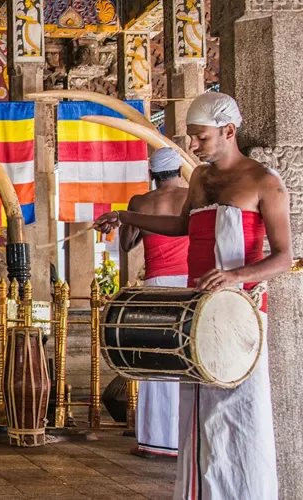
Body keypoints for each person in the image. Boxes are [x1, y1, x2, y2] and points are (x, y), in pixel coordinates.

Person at [93, 92, 291, 500]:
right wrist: (125, 215)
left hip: (240, 312)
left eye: (200, 137)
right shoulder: (199, 178)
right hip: (197, 307)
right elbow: (184, 226)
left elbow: (284, 258)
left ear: (229, 131)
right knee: (198, 409)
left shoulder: (265, 182)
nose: (194, 147)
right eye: (191, 138)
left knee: (238, 410)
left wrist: (237, 276)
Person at [119, 147, 189, 460]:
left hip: (156, 285)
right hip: (189, 285)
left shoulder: (140, 202)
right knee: (186, 360)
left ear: (152, 174)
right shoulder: (192, 197)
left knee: (154, 361)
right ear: (179, 172)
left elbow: (126, 243)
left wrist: (139, 222)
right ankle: (185, 438)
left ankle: (154, 440)